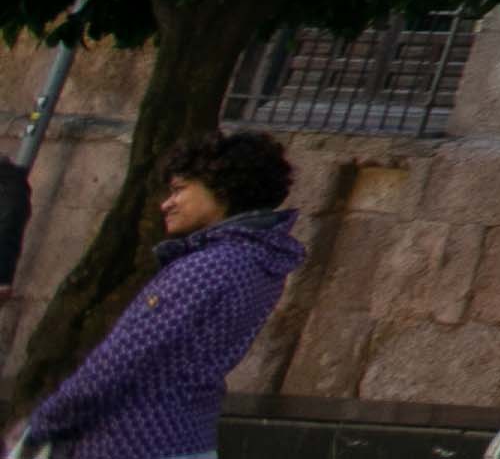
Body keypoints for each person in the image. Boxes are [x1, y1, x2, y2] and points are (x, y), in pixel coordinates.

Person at [16, 129, 302, 459]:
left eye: (179, 190)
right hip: (188, 437)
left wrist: (44, 423)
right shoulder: (259, 260)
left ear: (223, 188)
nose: (166, 203)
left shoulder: (207, 267)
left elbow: (123, 359)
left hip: (134, 442)